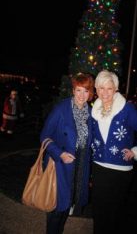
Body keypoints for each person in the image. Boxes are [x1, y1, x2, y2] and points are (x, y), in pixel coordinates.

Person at [91, 70, 137, 234]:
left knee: (113, 211)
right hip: (98, 166)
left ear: (115, 89)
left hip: (120, 169)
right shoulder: (94, 111)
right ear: (96, 89)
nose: (105, 92)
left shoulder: (126, 109)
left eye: (109, 88)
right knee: (98, 209)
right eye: (101, 88)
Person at [40, 73, 94, 234]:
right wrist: (59, 154)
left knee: (67, 207)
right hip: (59, 166)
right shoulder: (61, 109)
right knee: (57, 208)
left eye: (86, 91)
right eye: (78, 90)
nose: (82, 95)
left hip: (79, 167)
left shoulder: (91, 113)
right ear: (73, 90)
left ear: (90, 93)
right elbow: (44, 136)